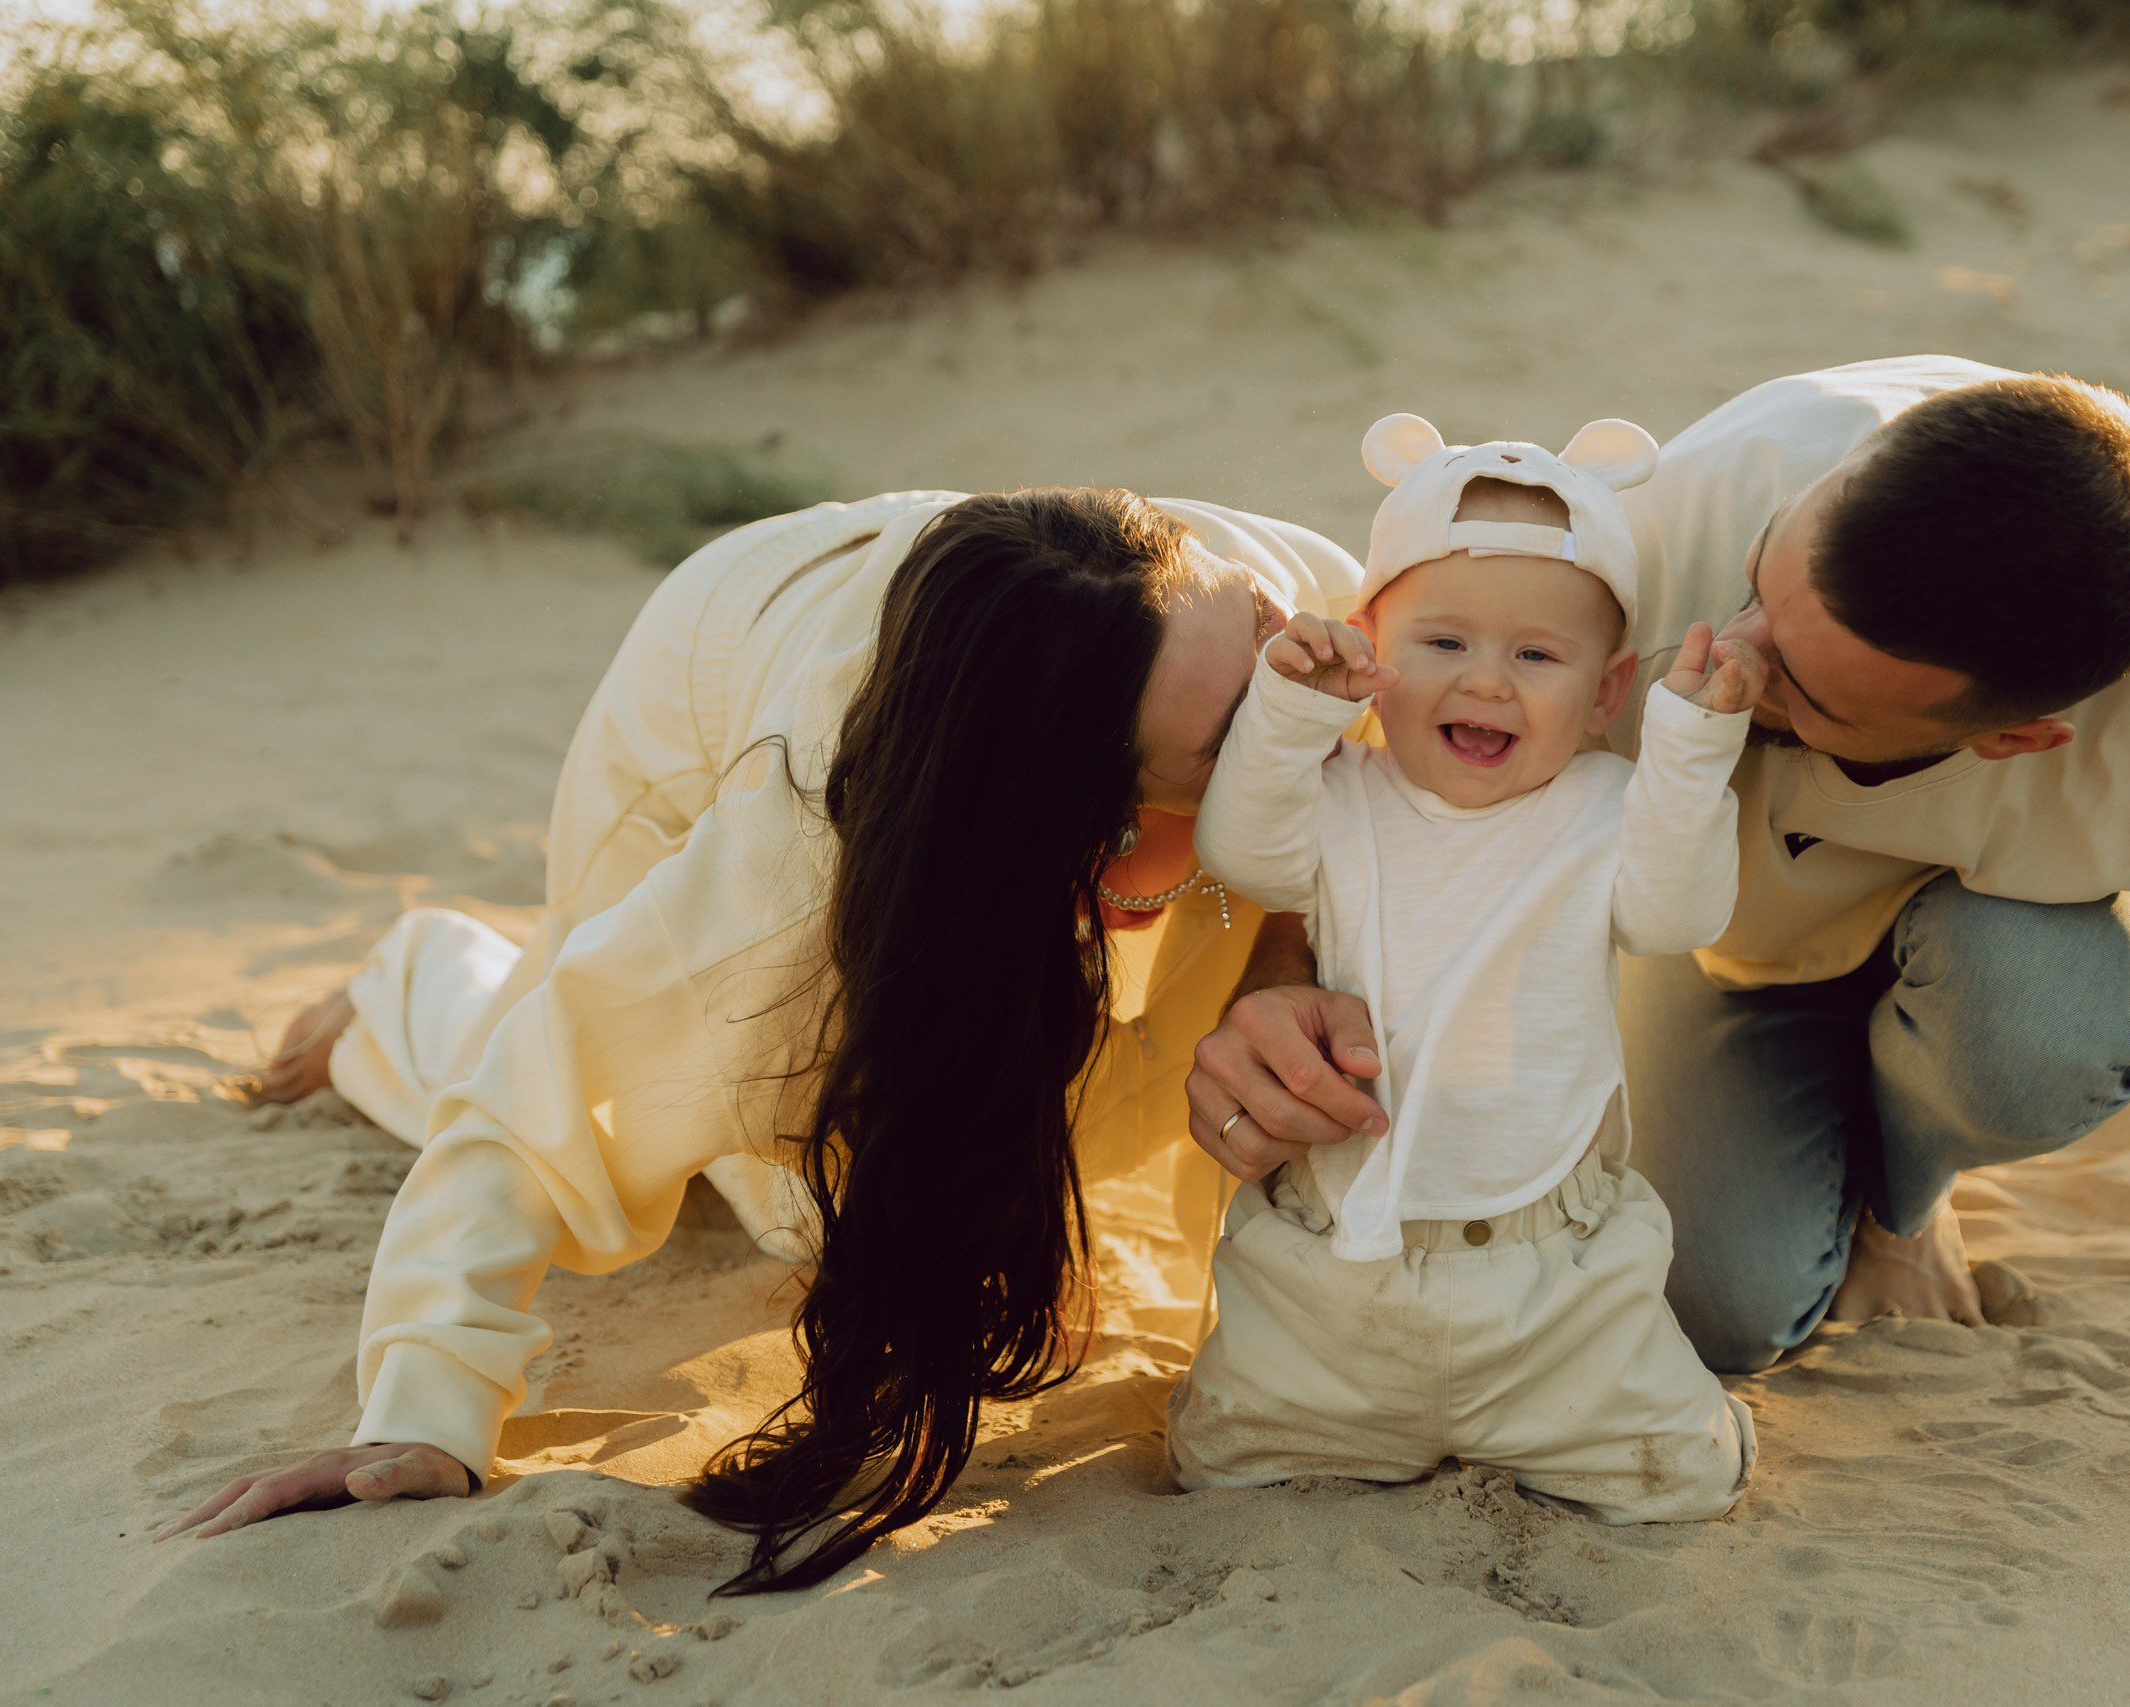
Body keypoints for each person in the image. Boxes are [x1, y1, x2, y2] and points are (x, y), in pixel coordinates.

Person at [1185, 356, 2130, 1608]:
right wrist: (1290, 971)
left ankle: (1909, 1197)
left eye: (1796, 682)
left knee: (2034, 1016)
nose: (1739, 649)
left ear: (2015, 737)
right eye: (1759, 587)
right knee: (1718, 1307)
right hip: (1737, 939)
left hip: (2034, 938)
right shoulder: (1687, 517)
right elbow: (1380, 755)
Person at [156, 485, 1375, 1593]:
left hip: (1001, 608)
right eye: (1229, 742)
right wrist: (421, 1415)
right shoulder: (788, 870)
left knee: (1149, 1049)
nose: (1293, 695)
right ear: (1085, 814)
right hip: (712, 675)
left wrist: (1278, 961)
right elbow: (541, 1103)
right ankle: (418, 988)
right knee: (778, 1153)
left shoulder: (1289, 614)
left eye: (1265, 627)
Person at [1166, 415, 1760, 1518]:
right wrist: (1295, 707)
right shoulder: (1338, 795)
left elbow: (1679, 912)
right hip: (1327, 1259)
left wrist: (1689, 747)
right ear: (1370, 646)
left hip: (1556, 1273)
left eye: (1535, 656)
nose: (1486, 682)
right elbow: (1237, 849)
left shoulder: (1602, 810)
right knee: (1228, 1456)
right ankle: (1314, 1422)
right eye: (1441, 644)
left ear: (1604, 691)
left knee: (1676, 1475)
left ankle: (1628, 1431)